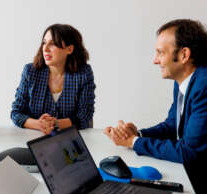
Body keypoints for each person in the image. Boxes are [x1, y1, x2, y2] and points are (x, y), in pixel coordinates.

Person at [104, 19, 207, 163]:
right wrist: (136, 135)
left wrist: (133, 142)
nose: (155, 60)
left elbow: (190, 152)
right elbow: (172, 126)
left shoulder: (203, 86)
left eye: (161, 53)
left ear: (184, 55)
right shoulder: (183, 81)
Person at [11, 24, 96, 135]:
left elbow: (85, 116)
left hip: (73, 139)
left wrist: (55, 123)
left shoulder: (83, 73)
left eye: (52, 44)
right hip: (34, 138)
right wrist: (39, 124)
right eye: (44, 43)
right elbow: (16, 113)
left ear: (69, 49)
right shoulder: (30, 71)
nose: (45, 49)